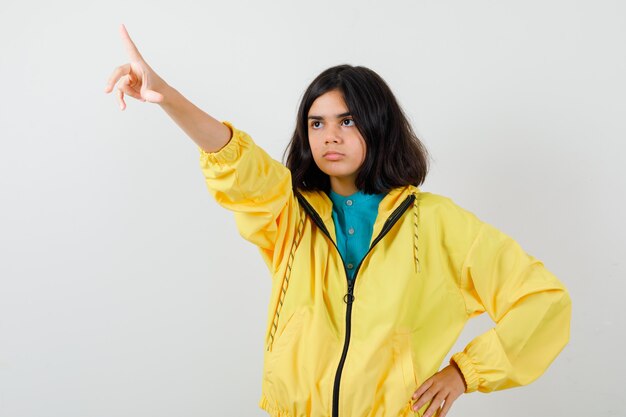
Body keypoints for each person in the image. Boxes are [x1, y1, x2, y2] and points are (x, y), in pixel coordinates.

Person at [104, 24, 572, 417]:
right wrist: (166, 97)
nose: (330, 135)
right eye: (317, 122)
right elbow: (233, 160)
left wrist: (465, 372)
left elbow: (544, 302)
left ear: (378, 126)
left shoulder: (439, 225)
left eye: (347, 121)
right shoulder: (288, 212)